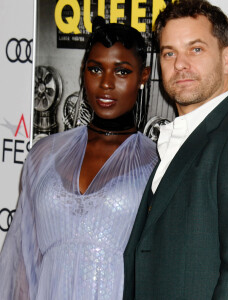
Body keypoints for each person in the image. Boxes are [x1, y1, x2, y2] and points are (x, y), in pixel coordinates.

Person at [123, 1, 228, 299]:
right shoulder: (175, 137)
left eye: (195, 49)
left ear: (227, 59)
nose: (180, 64)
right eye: (169, 52)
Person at [0, 17, 158, 299]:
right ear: (83, 71)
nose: (106, 84)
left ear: (143, 77)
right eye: (96, 68)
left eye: (122, 72)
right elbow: (22, 260)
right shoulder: (45, 153)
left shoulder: (156, 162)